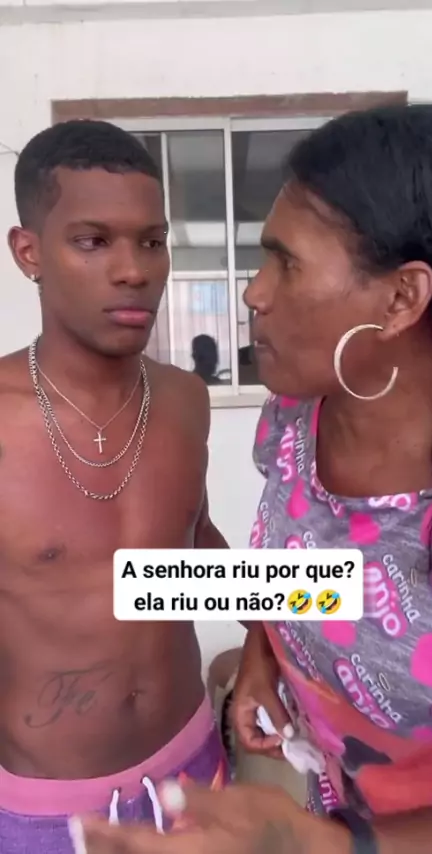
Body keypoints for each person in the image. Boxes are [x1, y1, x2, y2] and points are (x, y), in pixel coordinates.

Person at [75, 102, 432, 853]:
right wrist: (266, 652)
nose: (254, 292)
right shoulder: (295, 419)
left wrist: (322, 845)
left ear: (400, 299)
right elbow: (321, 574)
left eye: (285, 263)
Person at [0, 119, 228, 853]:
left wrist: (281, 635)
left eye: (152, 241)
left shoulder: (185, 398)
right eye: (93, 241)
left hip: (195, 770)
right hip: (45, 811)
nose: (133, 270)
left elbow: (191, 550)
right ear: (29, 252)